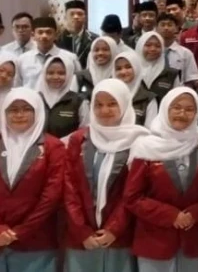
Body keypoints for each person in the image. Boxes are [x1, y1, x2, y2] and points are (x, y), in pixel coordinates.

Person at [125, 87, 198, 272]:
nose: (182, 113)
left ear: (197, 112)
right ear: (165, 109)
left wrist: (197, 212)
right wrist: (171, 216)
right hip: (154, 240)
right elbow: (132, 197)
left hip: (196, 239)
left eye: (189, 109)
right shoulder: (145, 147)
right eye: (176, 107)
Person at [63, 78, 149, 272]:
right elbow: (70, 188)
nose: (104, 110)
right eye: (98, 105)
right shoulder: (79, 139)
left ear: (125, 105)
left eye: (112, 104)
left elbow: (134, 192)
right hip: (81, 236)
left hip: (120, 236)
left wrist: (114, 230)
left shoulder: (140, 141)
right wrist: (81, 230)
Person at [0, 87, 66, 272]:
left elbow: (51, 196)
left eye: (26, 109)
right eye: (13, 109)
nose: (19, 115)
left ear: (37, 111)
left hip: (37, 242)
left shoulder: (54, 147)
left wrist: (21, 231)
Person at [17, 15, 79, 86]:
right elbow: (17, 86)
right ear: (33, 35)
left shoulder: (70, 58)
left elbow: (77, 83)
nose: (44, 36)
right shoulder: (22, 60)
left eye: (48, 32)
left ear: (56, 35)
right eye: (40, 32)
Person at [38, 54, 88, 137]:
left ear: (69, 74)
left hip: (68, 148)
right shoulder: (36, 99)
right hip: (39, 149)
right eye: (50, 73)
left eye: (61, 73)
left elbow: (85, 130)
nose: (55, 77)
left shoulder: (79, 101)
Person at [113, 51, 157, 126]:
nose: (123, 72)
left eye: (128, 67)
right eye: (118, 68)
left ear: (136, 68)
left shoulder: (148, 99)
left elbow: (150, 131)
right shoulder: (109, 95)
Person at [136, 31, 181, 102]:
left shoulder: (171, 74)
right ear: (140, 47)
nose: (153, 49)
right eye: (148, 45)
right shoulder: (131, 72)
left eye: (157, 46)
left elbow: (177, 99)